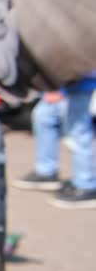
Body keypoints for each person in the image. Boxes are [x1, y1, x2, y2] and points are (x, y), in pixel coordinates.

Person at [12, 72, 96, 208]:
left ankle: (86, 185)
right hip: (70, 83)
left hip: (81, 82)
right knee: (43, 116)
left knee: (78, 132)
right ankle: (46, 172)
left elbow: (76, 61)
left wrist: (60, 90)